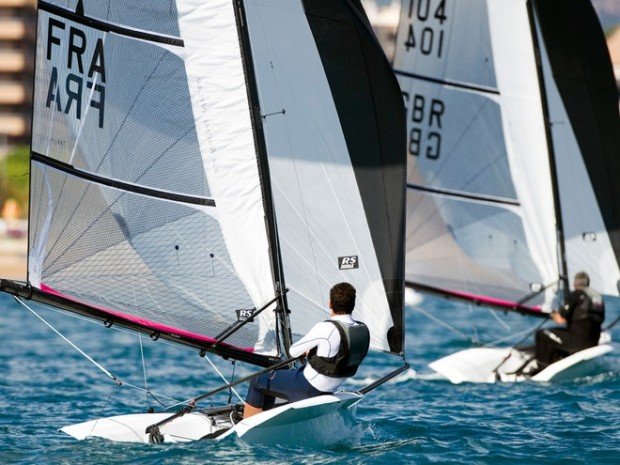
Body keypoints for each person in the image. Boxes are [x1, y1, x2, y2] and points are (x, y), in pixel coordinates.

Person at [243, 282, 370, 419]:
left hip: (308, 387)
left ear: (330, 303)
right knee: (278, 378)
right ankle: (265, 417)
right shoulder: (360, 329)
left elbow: (293, 352)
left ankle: (247, 424)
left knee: (258, 380)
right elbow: (338, 356)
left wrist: (309, 351)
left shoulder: (326, 328)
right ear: (353, 304)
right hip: (331, 387)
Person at [534, 271, 605, 370]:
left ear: (575, 284)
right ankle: (561, 356)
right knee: (561, 333)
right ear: (588, 283)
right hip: (593, 342)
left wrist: (552, 312)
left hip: (577, 342)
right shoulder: (597, 297)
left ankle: (541, 368)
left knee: (541, 334)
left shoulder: (577, 294)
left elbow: (560, 320)